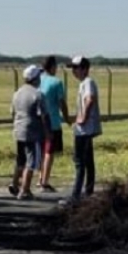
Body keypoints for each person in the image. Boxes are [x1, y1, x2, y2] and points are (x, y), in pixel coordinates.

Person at [9, 65, 49, 200]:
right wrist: (48, 132)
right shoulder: (38, 94)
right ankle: (24, 189)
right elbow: (44, 115)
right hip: (32, 131)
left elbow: (12, 112)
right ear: (35, 78)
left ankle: (14, 184)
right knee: (31, 161)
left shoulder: (17, 93)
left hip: (18, 129)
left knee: (20, 159)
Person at [67, 56, 102, 203]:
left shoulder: (88, 82)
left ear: (85, 69)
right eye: (73, 68)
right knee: (88, 161)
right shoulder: (83, 83)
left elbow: (90, 99)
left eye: (76, 68)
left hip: (85, 129)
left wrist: (83, 117)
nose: (74, 71)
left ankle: (76, 195)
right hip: (84, 128)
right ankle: (88, 190)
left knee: (79, 161)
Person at [38, 56, 70, 192]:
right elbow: (61, 102)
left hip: (38, 121)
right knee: (49, 152)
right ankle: (45, 181)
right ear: (52, 67)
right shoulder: (56, 82)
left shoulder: (38, 80)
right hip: (53, 121)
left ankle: (40, 178)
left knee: (40, 151)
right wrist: (67, 118)